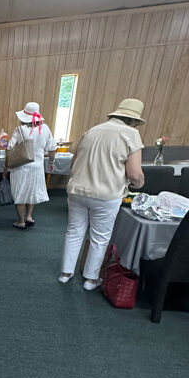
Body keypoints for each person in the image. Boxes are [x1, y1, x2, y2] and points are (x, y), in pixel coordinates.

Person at [59, 98, 145, 290]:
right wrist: (139, 183)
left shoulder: (91, 131)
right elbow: (134, 174)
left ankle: (65, 273)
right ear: (134, 121)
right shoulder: (131, 134)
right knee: (100, 237)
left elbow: (73, 164)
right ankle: (90, 280)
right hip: (106, 194)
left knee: (74, 231)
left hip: (77, 190)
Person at [5, 102, 56, 229]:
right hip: (37, 168)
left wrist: (5, 167)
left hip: (20, 167)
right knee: (32, 191)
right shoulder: (45, 128)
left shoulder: (19, 129)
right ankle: (29, 216)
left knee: (20, 193)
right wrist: (51, 162)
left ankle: (21, 221)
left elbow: (9, 147)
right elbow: (52, 148)